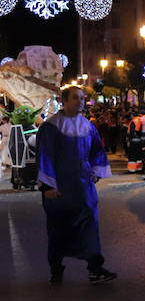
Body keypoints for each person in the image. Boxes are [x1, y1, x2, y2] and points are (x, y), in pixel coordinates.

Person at [36, 86, 116, 285]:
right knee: (58, 229)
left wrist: (96, 171)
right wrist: (47, 187)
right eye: (75, 98)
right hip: (59, 188)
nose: (80, 102)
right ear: (64, 100)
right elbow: (44, 156)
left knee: (89, 225)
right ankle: (56, 269)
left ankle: (95, 268)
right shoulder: (51, 127)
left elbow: (97, 150)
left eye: (82, 98)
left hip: (83, 188)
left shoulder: (88, 126)